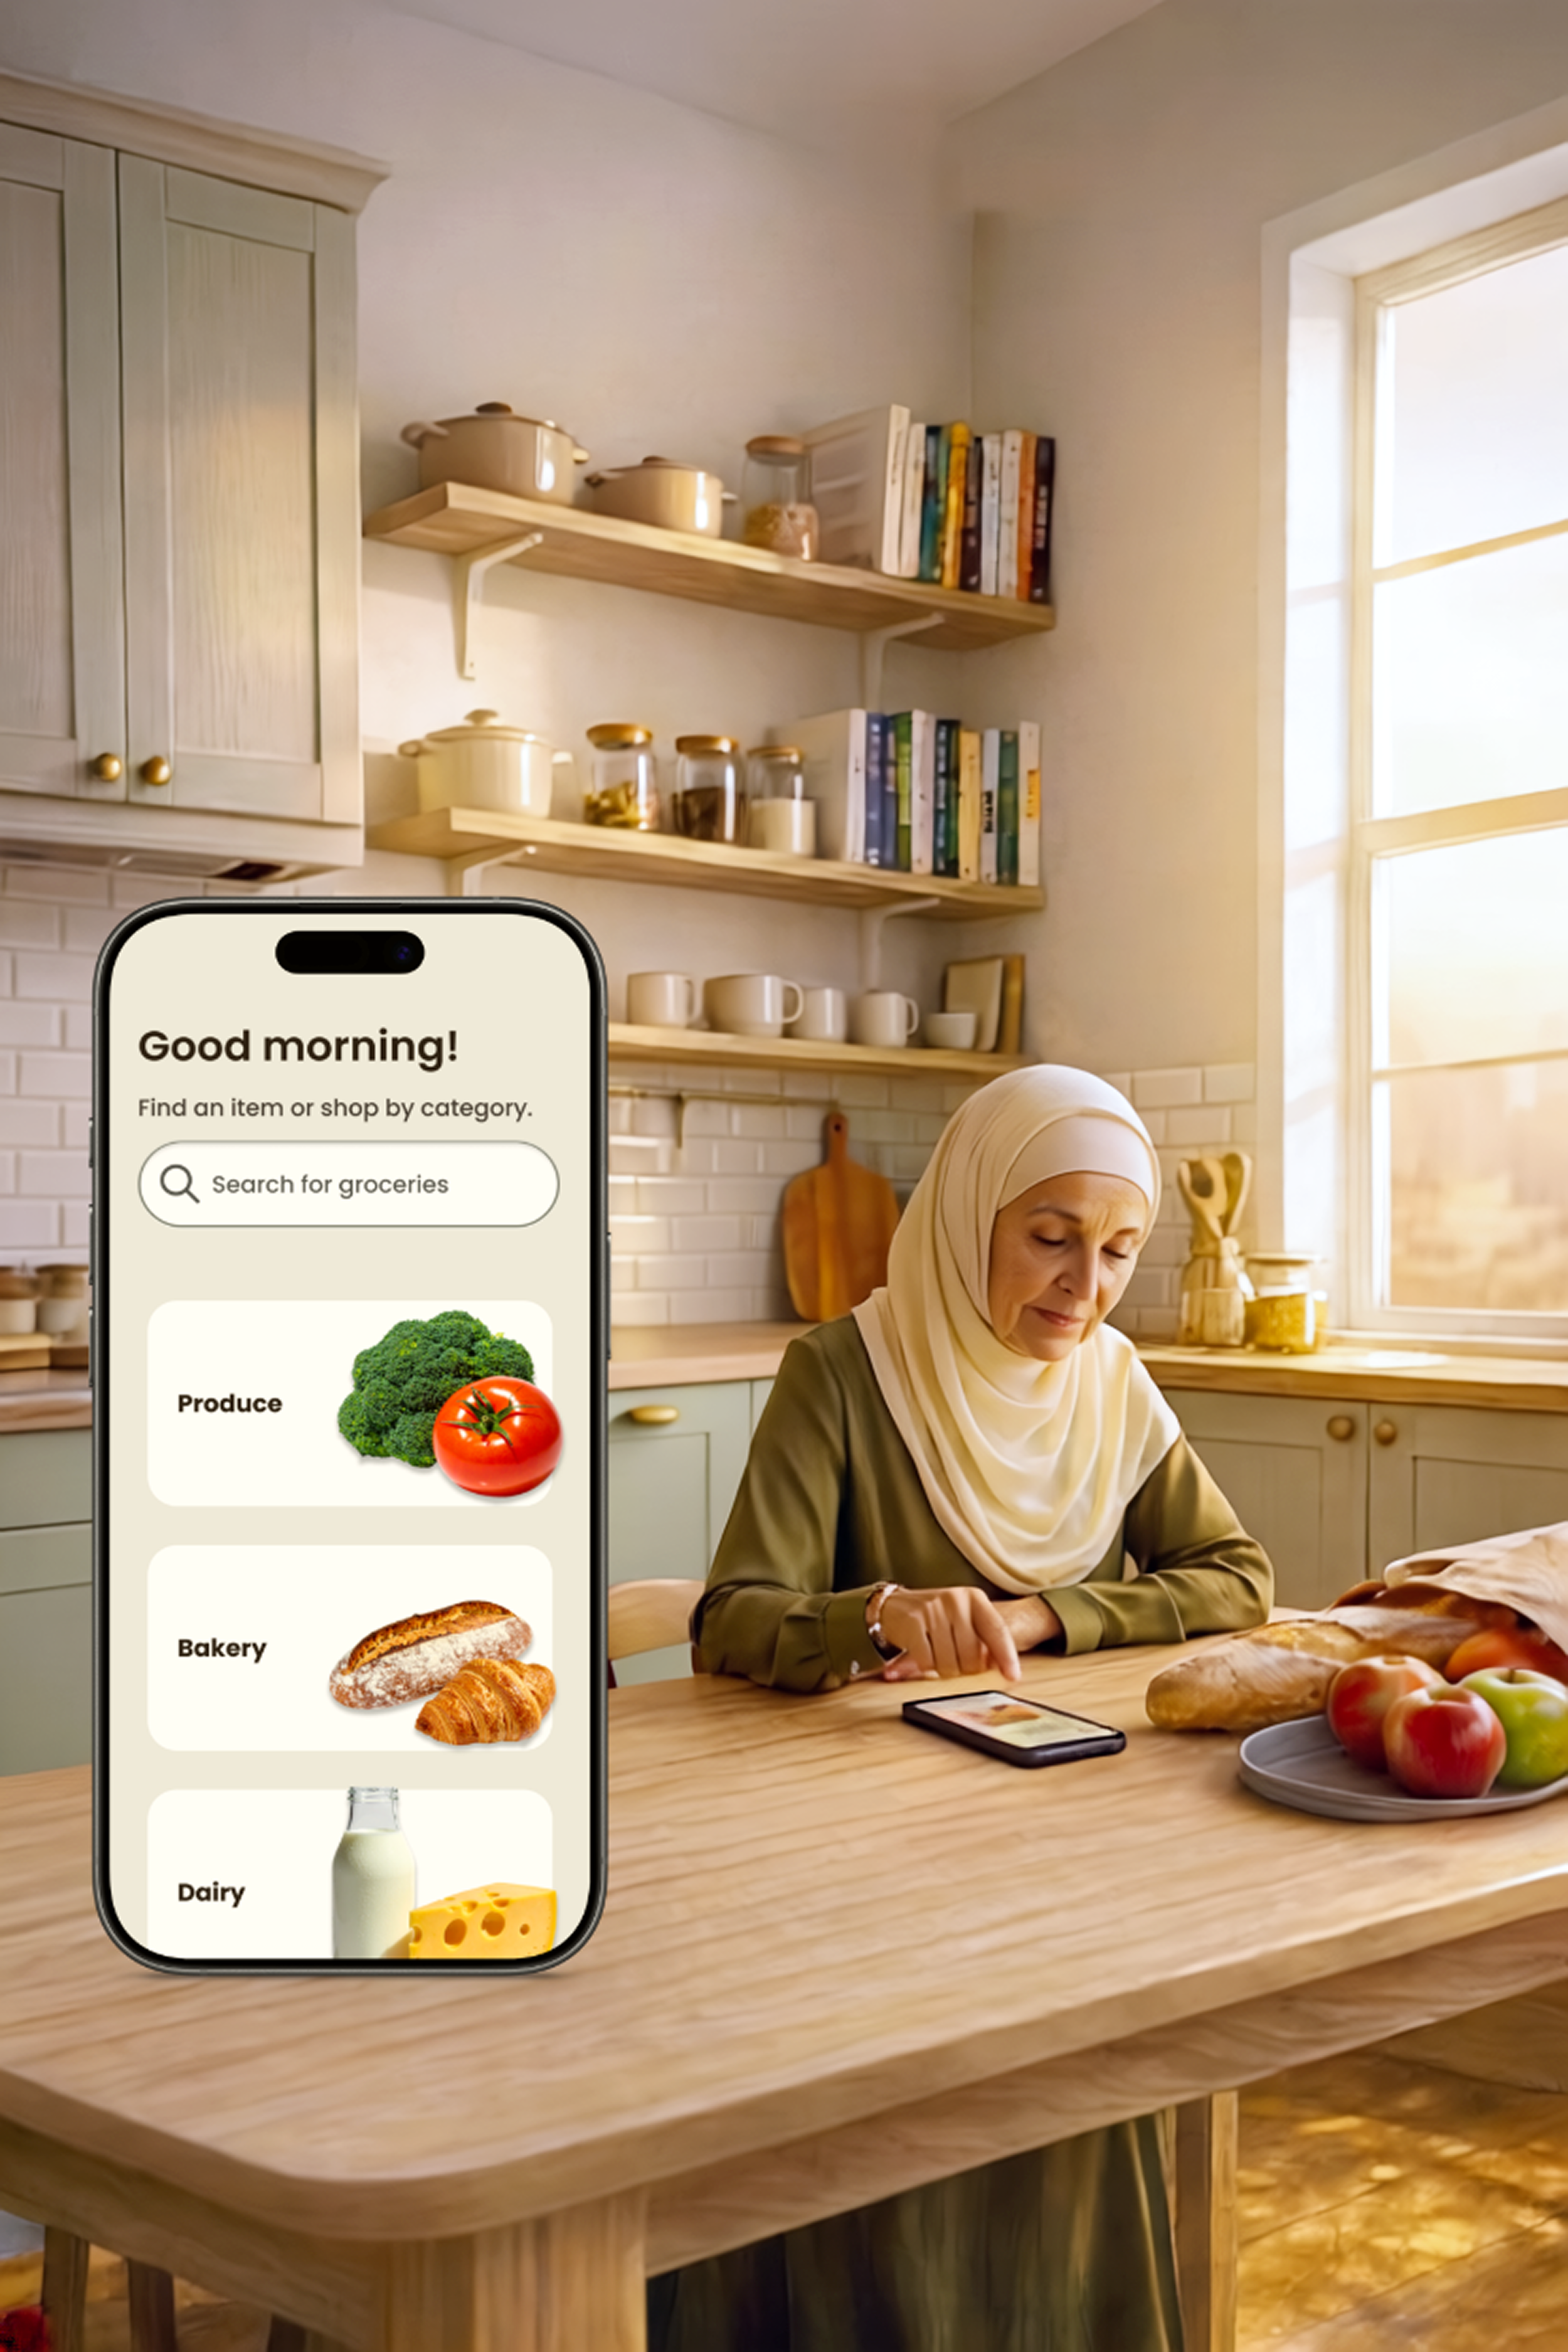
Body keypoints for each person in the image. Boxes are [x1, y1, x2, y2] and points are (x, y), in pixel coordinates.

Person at [650, 1066, 1273, 2352]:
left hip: (1047, 1831)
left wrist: (1046, 1616)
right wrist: (871, 1610)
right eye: (1048, 1239)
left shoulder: (1110, 1387)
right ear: (964, 1215)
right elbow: (730, 1619)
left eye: (1113, 1252)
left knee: (1075, 2052)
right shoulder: (841, 1369)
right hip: (838, 1860)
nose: (1081, 1287)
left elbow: (1234, 1580)